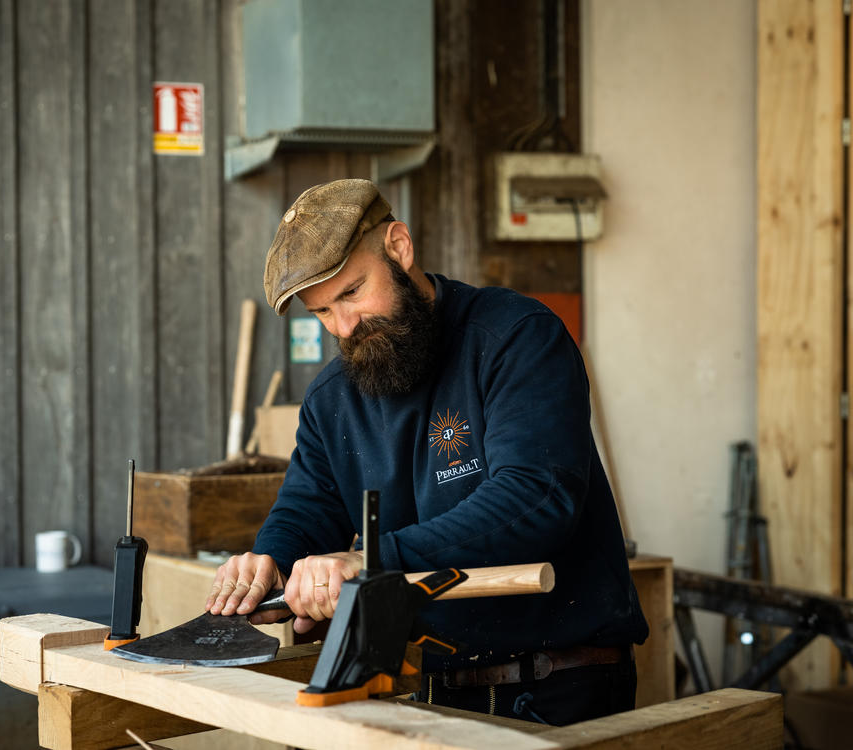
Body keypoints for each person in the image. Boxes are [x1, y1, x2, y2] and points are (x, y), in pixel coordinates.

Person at [205, 178, 648, 725]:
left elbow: (535, 498)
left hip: (562, 682)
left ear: (399, 246)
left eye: (351, 292)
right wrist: (269, 562)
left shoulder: (516, 337)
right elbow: (309, 508)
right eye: (320, 312)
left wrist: (374, 560)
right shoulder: (330, 399)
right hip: (436, 688)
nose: (343, 327)